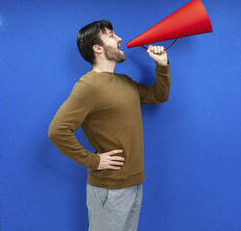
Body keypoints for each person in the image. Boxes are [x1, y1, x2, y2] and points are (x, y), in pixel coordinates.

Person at [47, 19, 171, 231]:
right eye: (112, 35)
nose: (120, 38)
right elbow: (57, 131)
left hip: (134, 182)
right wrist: (93, 161)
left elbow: (159, 96)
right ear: (98, 48)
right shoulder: (88, 85)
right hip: (109, 188)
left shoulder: (125, 81)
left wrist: (161, 65)